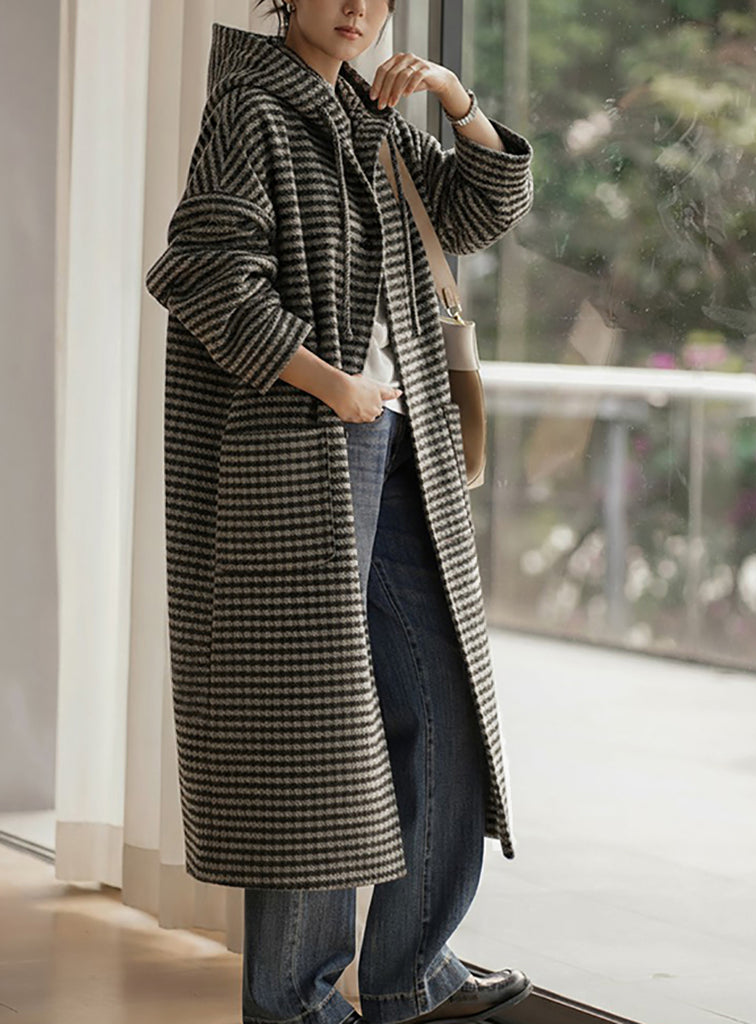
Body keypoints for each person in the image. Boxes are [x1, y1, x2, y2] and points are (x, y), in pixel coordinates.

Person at [144, 3, 535, 1024]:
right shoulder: (253, 106)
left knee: (442, 698)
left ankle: (411, 974)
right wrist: (334, 385)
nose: (358, 7)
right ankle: (294, 1004)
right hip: (303, 445)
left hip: (401, 439)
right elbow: (204, 272)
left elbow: (478, 213)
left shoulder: (369, 117)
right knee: (308, 738)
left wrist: (453, 98)